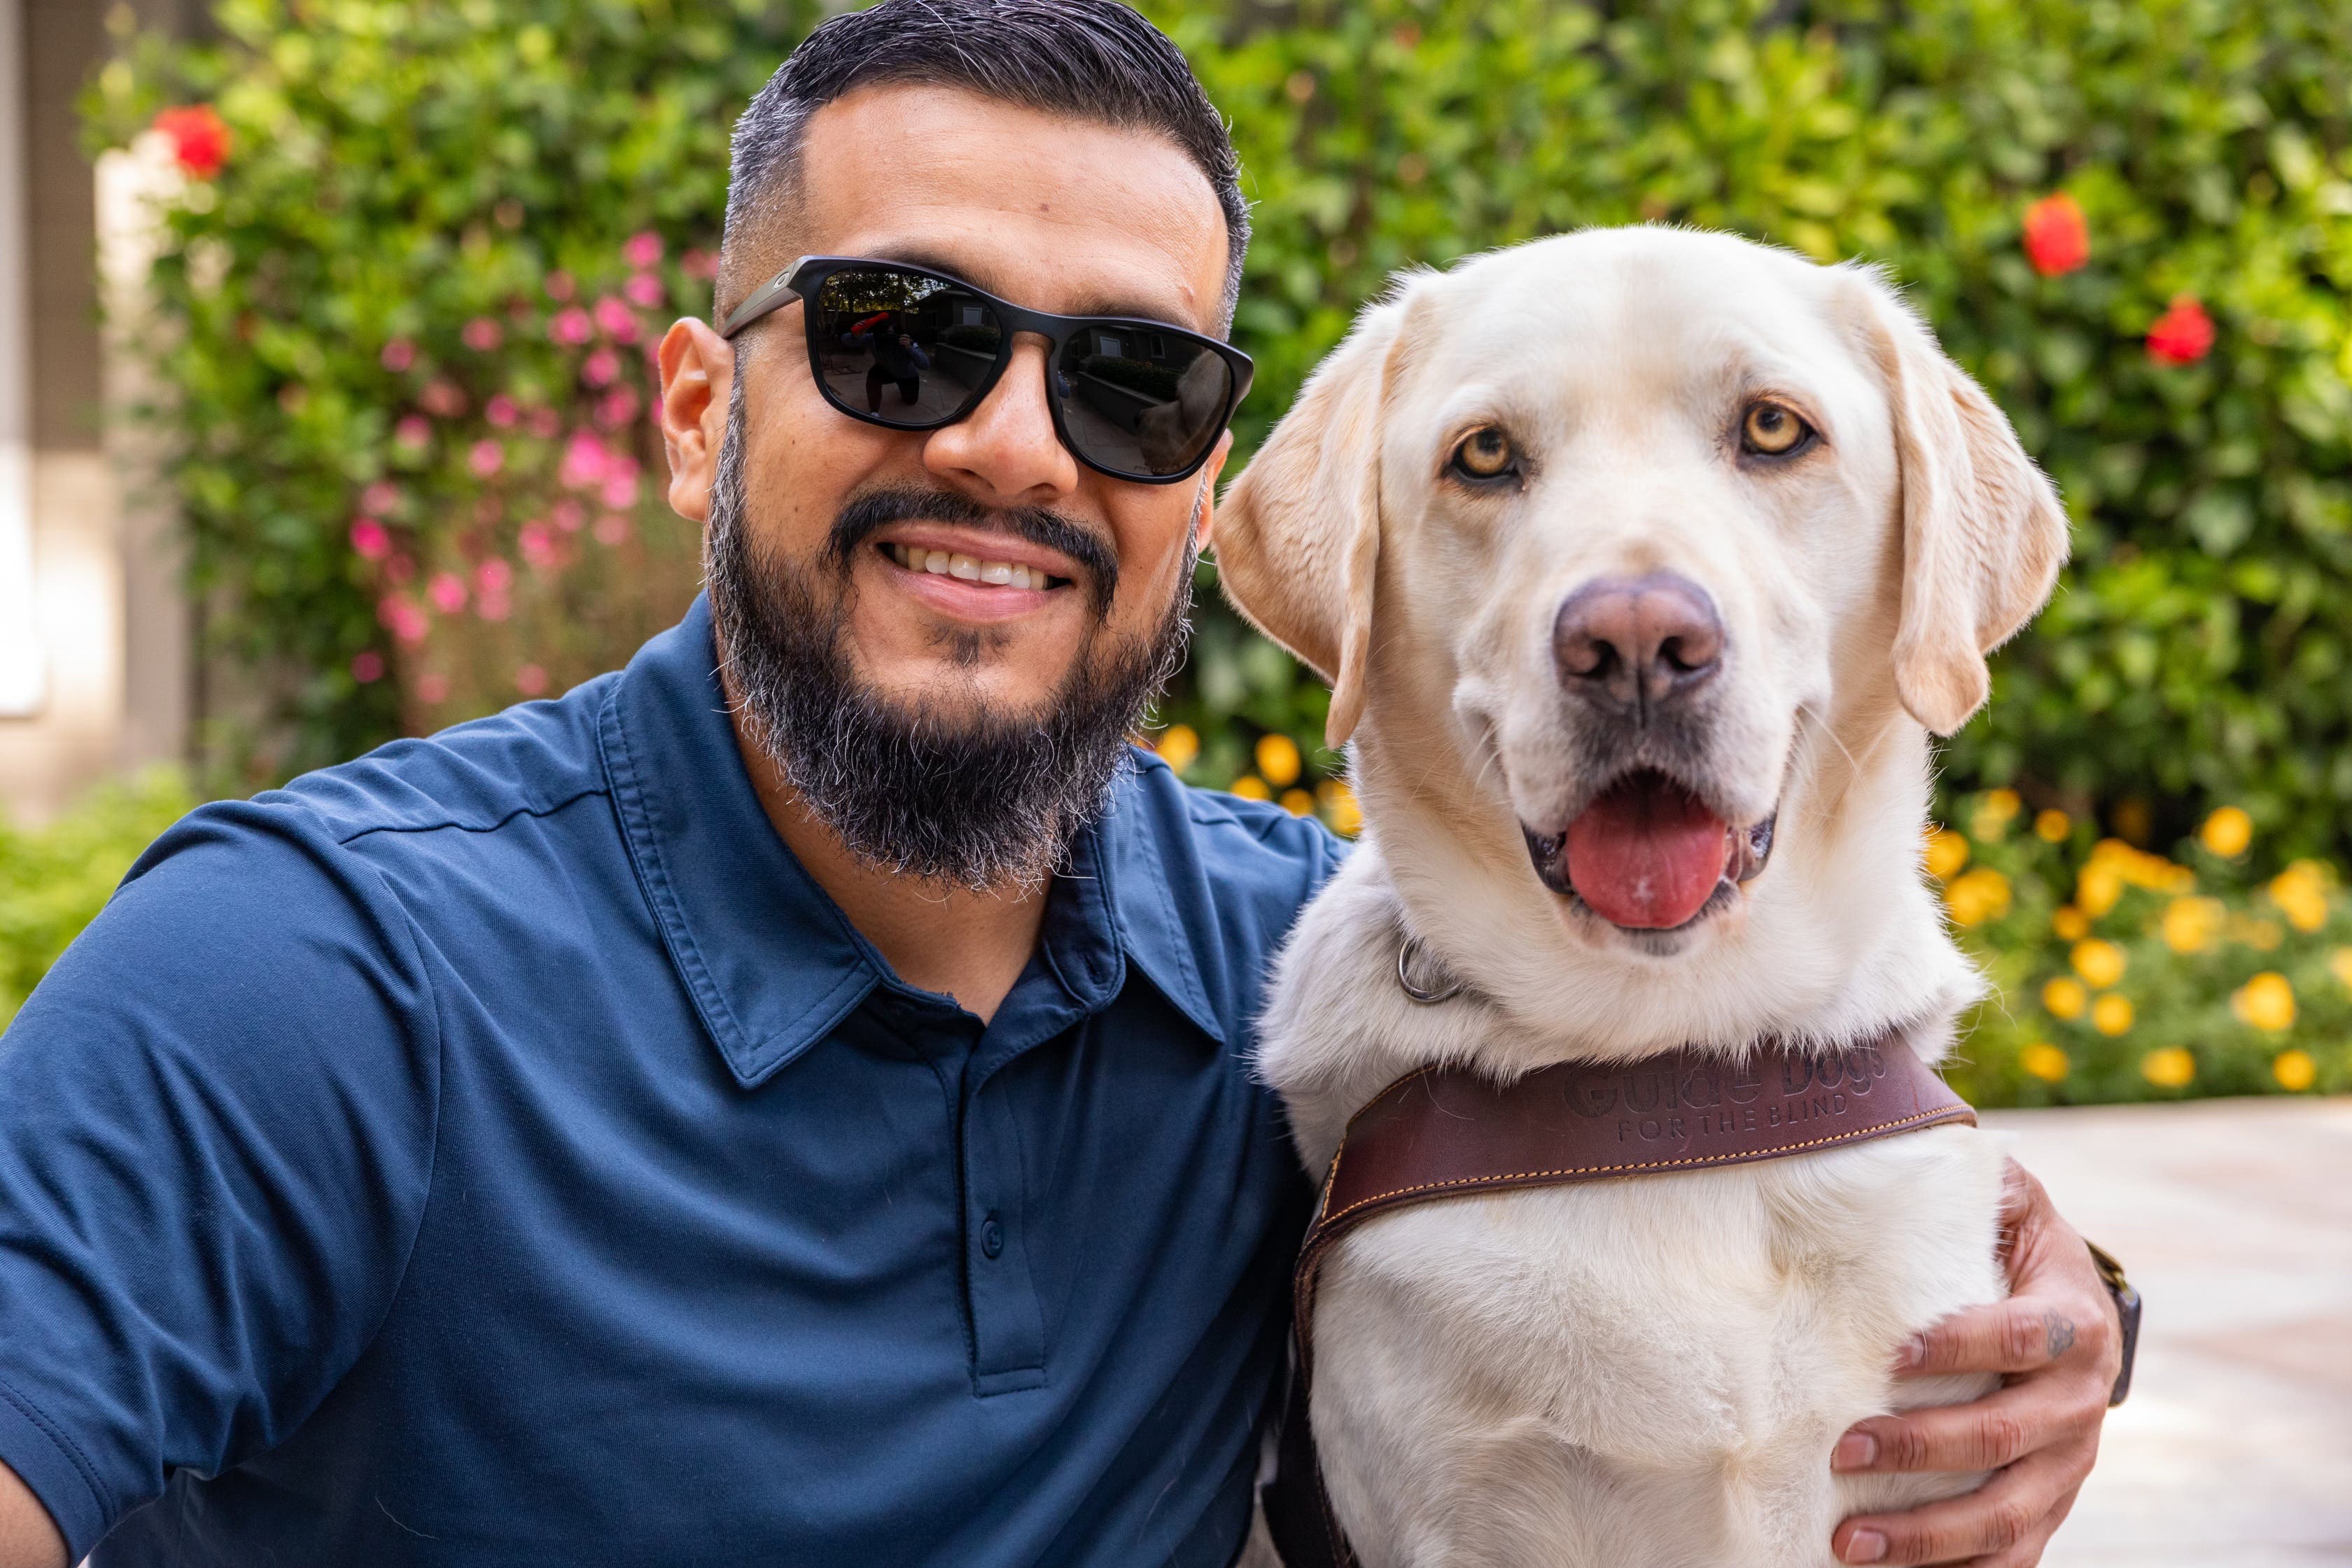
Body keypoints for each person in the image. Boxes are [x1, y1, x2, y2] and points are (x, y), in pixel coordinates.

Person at [0, 4, 2122, 1565]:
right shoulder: (310, 969)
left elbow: (1714, 1134)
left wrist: (2062, 1314)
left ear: (1205, 495)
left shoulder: (1311, 970)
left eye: (1128, 379)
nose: (1017, 445)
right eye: (892, 340)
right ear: (690, 416)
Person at [844, 309, 933, 412]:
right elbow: (845, 341)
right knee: (874, 374)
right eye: (886, 335)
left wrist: (909, 348)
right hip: (885, 371)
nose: (889, 339)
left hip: (906, 375)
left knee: (911, 401)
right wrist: (855, 336)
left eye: (893, 335)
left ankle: (903, 388)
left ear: (899, 334)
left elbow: (925, 365)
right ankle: (874, 411)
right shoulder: (874, 339)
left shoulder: (907, 342)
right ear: (879, 334)